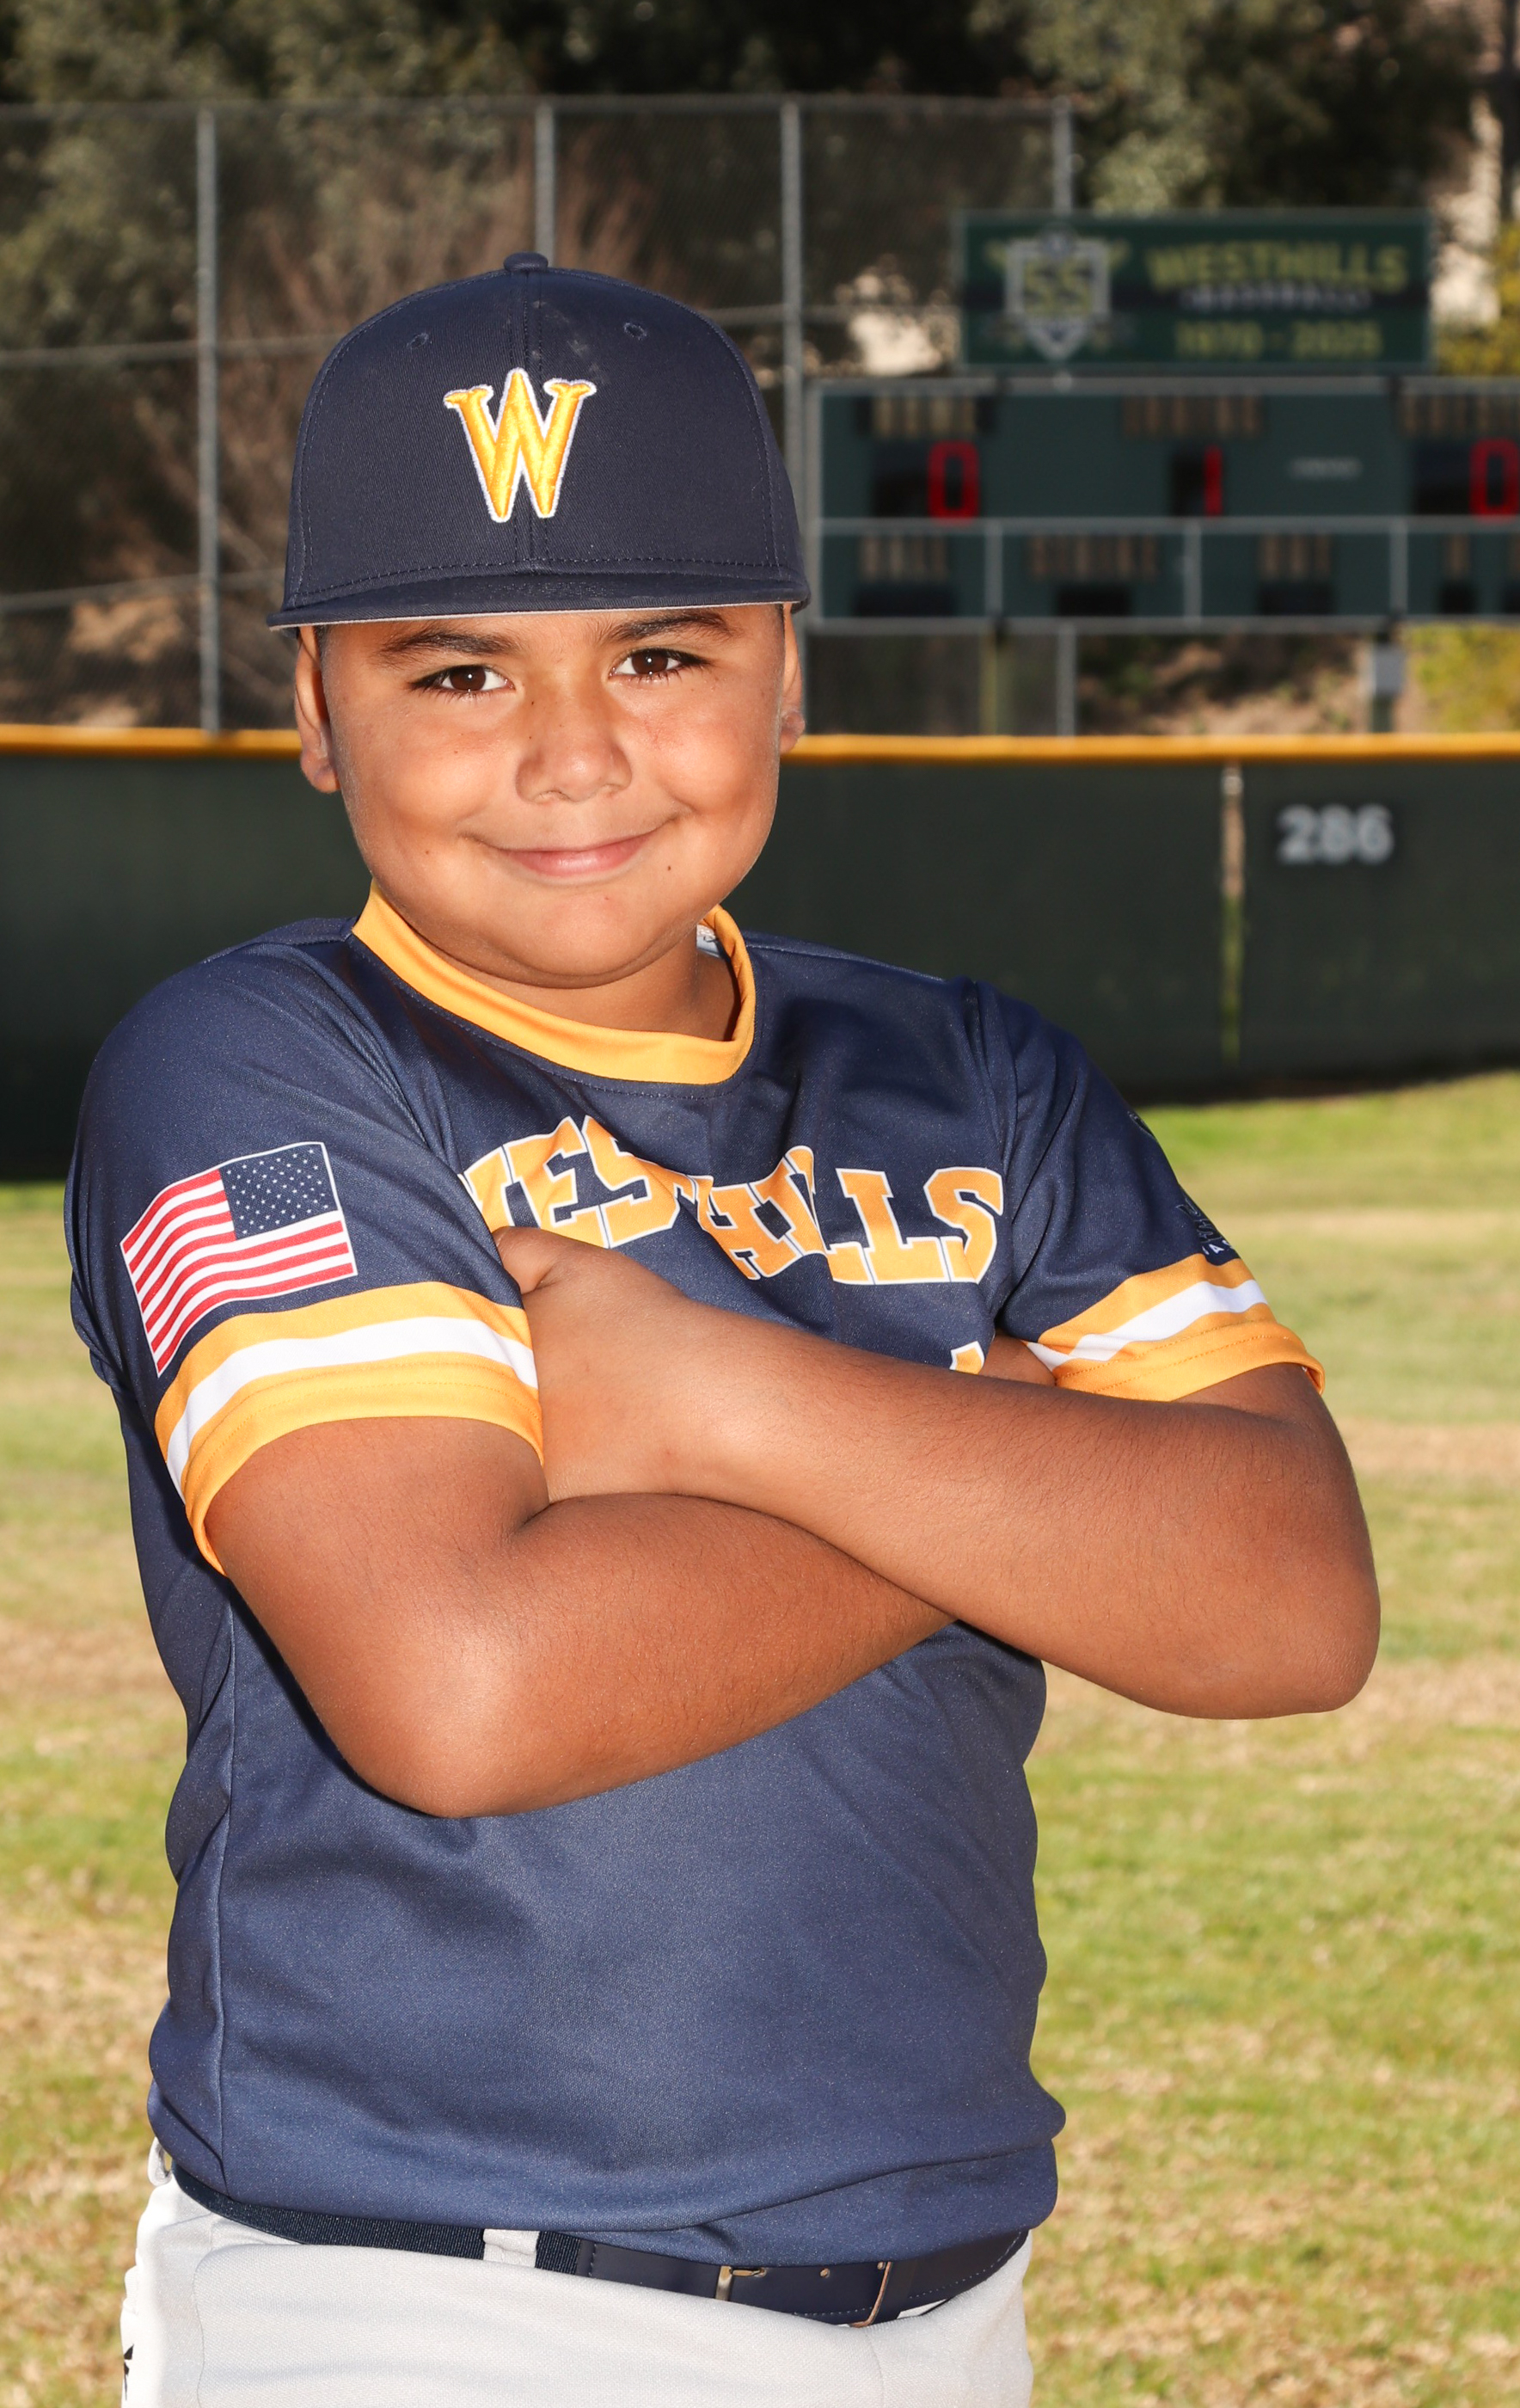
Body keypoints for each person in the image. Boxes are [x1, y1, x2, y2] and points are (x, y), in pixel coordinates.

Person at [67, 255, 1378, 2408]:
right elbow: (462, 1682)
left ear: (786, 668)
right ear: (314, 703)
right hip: (419, 2295)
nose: (572, 751)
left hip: (946, 2297)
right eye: (456, 669)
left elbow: (1291, 1595)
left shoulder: (971, 1069)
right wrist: (1003, 1453)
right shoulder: (263, 1062)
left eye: (662, 651)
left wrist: (726, 1399)